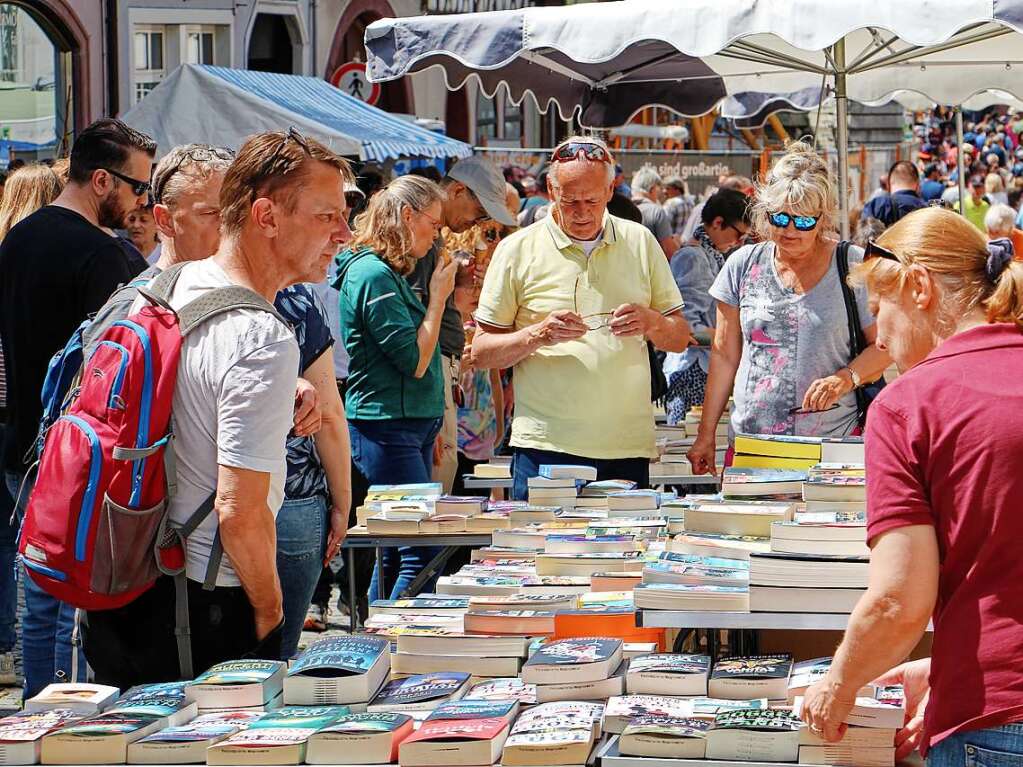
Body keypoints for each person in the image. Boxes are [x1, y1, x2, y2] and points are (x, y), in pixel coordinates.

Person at [81, 128, 352, 687]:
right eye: (327, 216)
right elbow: (240, 511)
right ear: (266, 216)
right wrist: (272, 610)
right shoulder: (261, 337)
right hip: (202, 601)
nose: (344, 235)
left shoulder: (173, 282)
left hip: (128, 579)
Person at [800, 207, 1023, 765]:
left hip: (997, 712)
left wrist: (838, 686)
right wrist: (944, 663)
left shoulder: (910, 404)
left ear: (919, 288)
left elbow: (899, 599)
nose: (882, 338)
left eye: (880, 312)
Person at [0, 119, 154, 697]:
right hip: (78, 455)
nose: (143, 200)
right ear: (100, 180)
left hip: (25, 442)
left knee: (40, 596)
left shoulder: (20, 236)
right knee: (71, 602)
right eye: (138, 187)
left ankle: (37, 712)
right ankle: (63, 716)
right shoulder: (102, 256)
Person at [470, 136, 690, 501]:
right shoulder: (516, 249)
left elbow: (680, 337)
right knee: (541, 553)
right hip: (545, 446)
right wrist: (537, 335)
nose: (582, 212)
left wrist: (651, 322)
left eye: (592, 200)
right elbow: (481, 353)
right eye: (570, 201)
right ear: (551, 190)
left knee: (626, 555)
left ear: (610, 190)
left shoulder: (640, 242)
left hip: (625, 447)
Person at [687, 142, 891, 476]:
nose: (789, 230)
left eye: (803, 221)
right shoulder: (742, 265)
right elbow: (725, 356)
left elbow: (884, 346)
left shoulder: (852, 264)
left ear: (823, 218)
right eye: (778, 218)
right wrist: (705, 433)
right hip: (752, 444)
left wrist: (844, 379)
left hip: (831, 445)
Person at [334, 175, 457, 601]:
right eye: (434, 224)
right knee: (418, 547)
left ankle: (377, 640)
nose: (437, 236)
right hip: (388, 426)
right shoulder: (371, 275)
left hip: (407, 423)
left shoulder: (385, 272)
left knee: (397, 548)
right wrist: (438, 297)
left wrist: (433, 421)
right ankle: (392, 636)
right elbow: (415, 361)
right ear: (408, 216)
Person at [405, 157, 516, 495]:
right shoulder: (423, 240)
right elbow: (416, 327)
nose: (476, 225)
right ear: (457, 191)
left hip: (442, 379)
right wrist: (432, 413)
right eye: (479, 214)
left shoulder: (434, 239)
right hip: (432, 382)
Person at [0, 163, 65, 686]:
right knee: (57, 578)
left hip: (14, 435)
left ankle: (30, 682)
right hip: (52, 440)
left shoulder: (8, 259)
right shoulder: (61, 261)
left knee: (27, 561)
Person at [662, 189, 751, 424]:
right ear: (718, 222)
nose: (739, 242)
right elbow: (686, 326)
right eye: (738, 234)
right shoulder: (694, 257)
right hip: (692, 371)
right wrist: (728, 338)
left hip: (703, 368)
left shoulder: (711, 255)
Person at [861, 161, 928, 226]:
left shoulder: (876, 206)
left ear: (889, 185)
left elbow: (864, 233)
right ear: (918, 185)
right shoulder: (928, 209)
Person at [630, 166, 676, 257]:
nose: (662, 191)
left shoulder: (622, 209)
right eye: (659, 187)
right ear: (652, 189)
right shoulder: (656, 212)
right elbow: (670, 252)